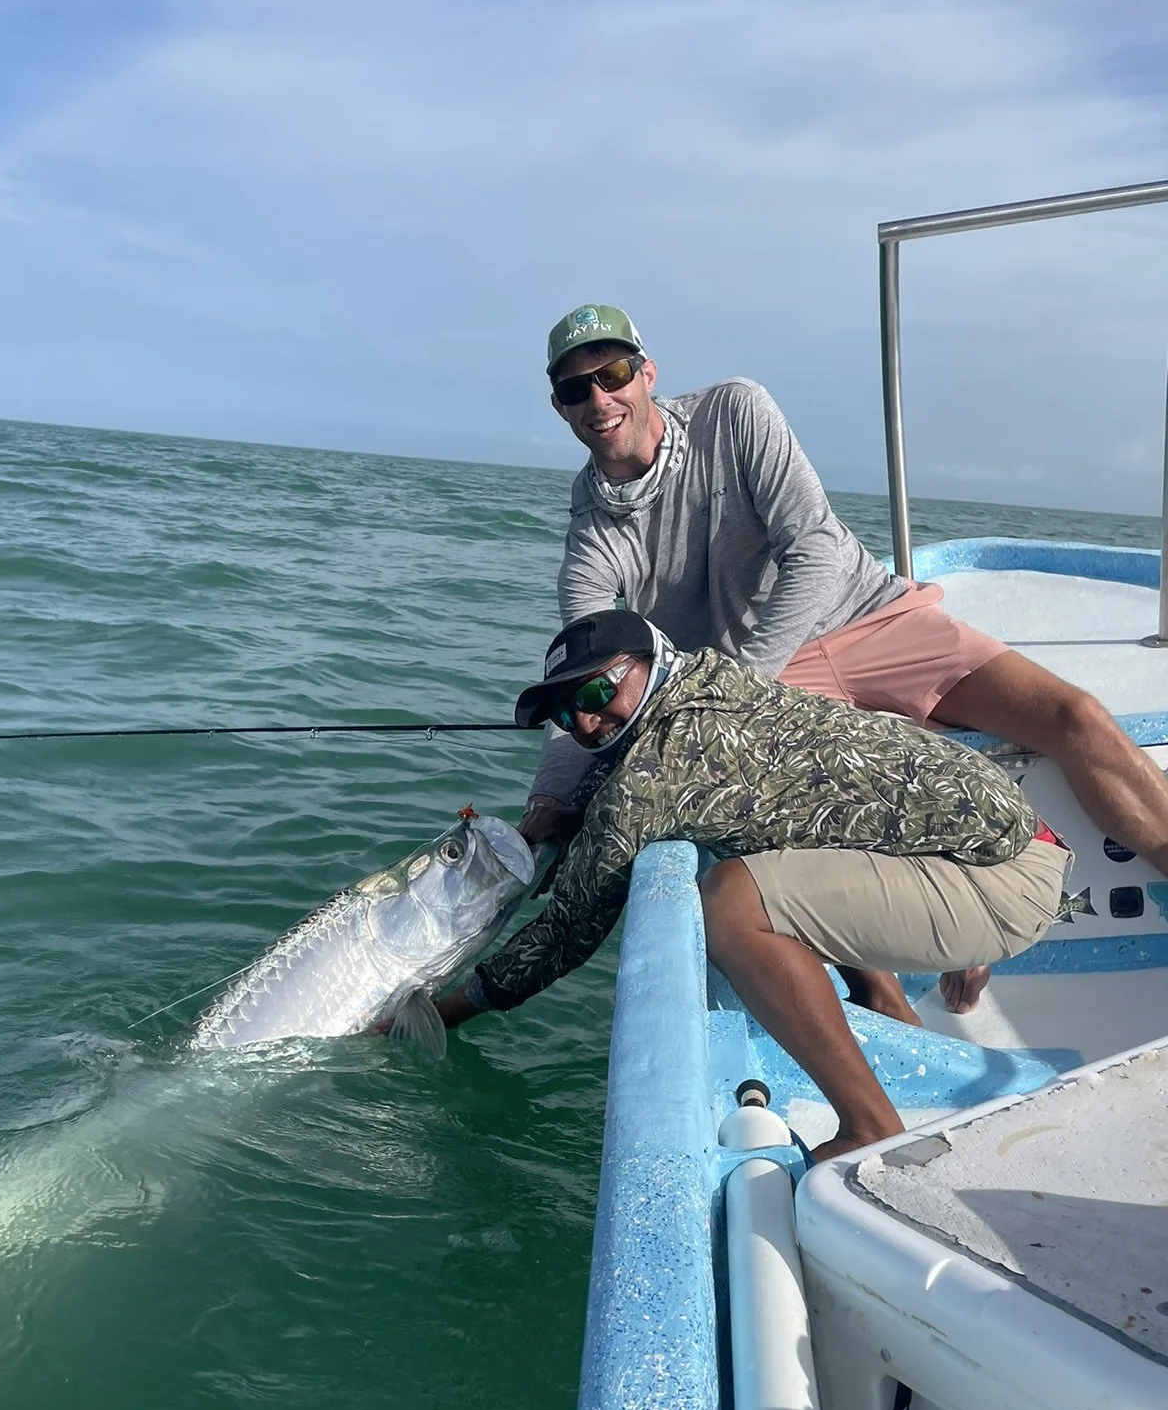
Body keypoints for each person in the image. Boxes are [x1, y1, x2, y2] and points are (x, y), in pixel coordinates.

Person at [521, 304, 1168, 1017]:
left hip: (866, 618)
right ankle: (893, 1012)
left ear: (646, 373)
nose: (599, 399)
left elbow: (816, 553)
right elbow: (585, 687)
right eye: (576, 389)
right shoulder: (591, 538)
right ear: (561, 408)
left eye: (611, 374)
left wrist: (741, 687)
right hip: (768, 679)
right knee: (786, 806)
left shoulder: (735, 412)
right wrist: (551, 797)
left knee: (1071, 715)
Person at [436, 610, 1070, 1162]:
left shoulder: (653, 776)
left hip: (996, 880)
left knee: (731, 904)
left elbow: (566, 932)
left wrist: (441, 1011)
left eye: (599, 690)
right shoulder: (715, 680)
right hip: (1000, 837)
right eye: (563, 714)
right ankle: (882, 998)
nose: (586, 720)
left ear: (650, 663)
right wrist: (578, 810)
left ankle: (868, 1125)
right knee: (758, 835)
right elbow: (672, 778)